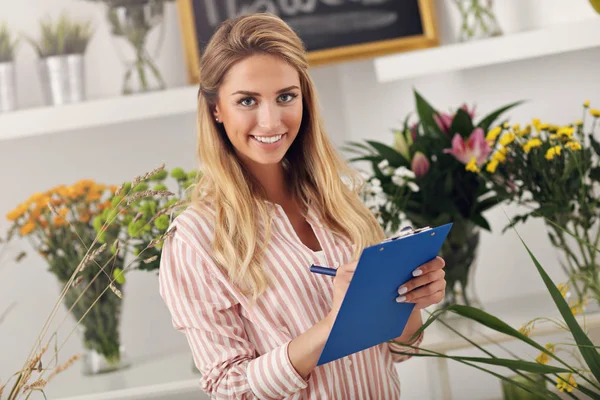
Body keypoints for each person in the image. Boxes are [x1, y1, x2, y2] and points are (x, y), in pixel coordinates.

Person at [158, 12, 446, 399]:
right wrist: (332, 327)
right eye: (247, 100)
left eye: (286, 97)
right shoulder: (196, 240)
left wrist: (412, 299)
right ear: (215, 110)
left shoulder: (339, 202)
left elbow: (397, 350)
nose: (271, 120)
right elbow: (229, 388)